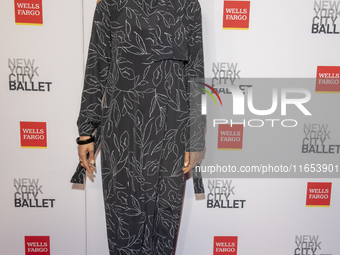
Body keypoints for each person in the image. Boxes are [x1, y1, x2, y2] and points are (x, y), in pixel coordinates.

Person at [72, 0, 205, 254]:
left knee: (163, 224)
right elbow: (96, 65)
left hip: (172, 129)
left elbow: (195, 74)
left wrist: (196, 137)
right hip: (123, 129)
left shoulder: (188, 5)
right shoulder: (110, 4)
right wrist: (86, 132)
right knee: (124, 219)